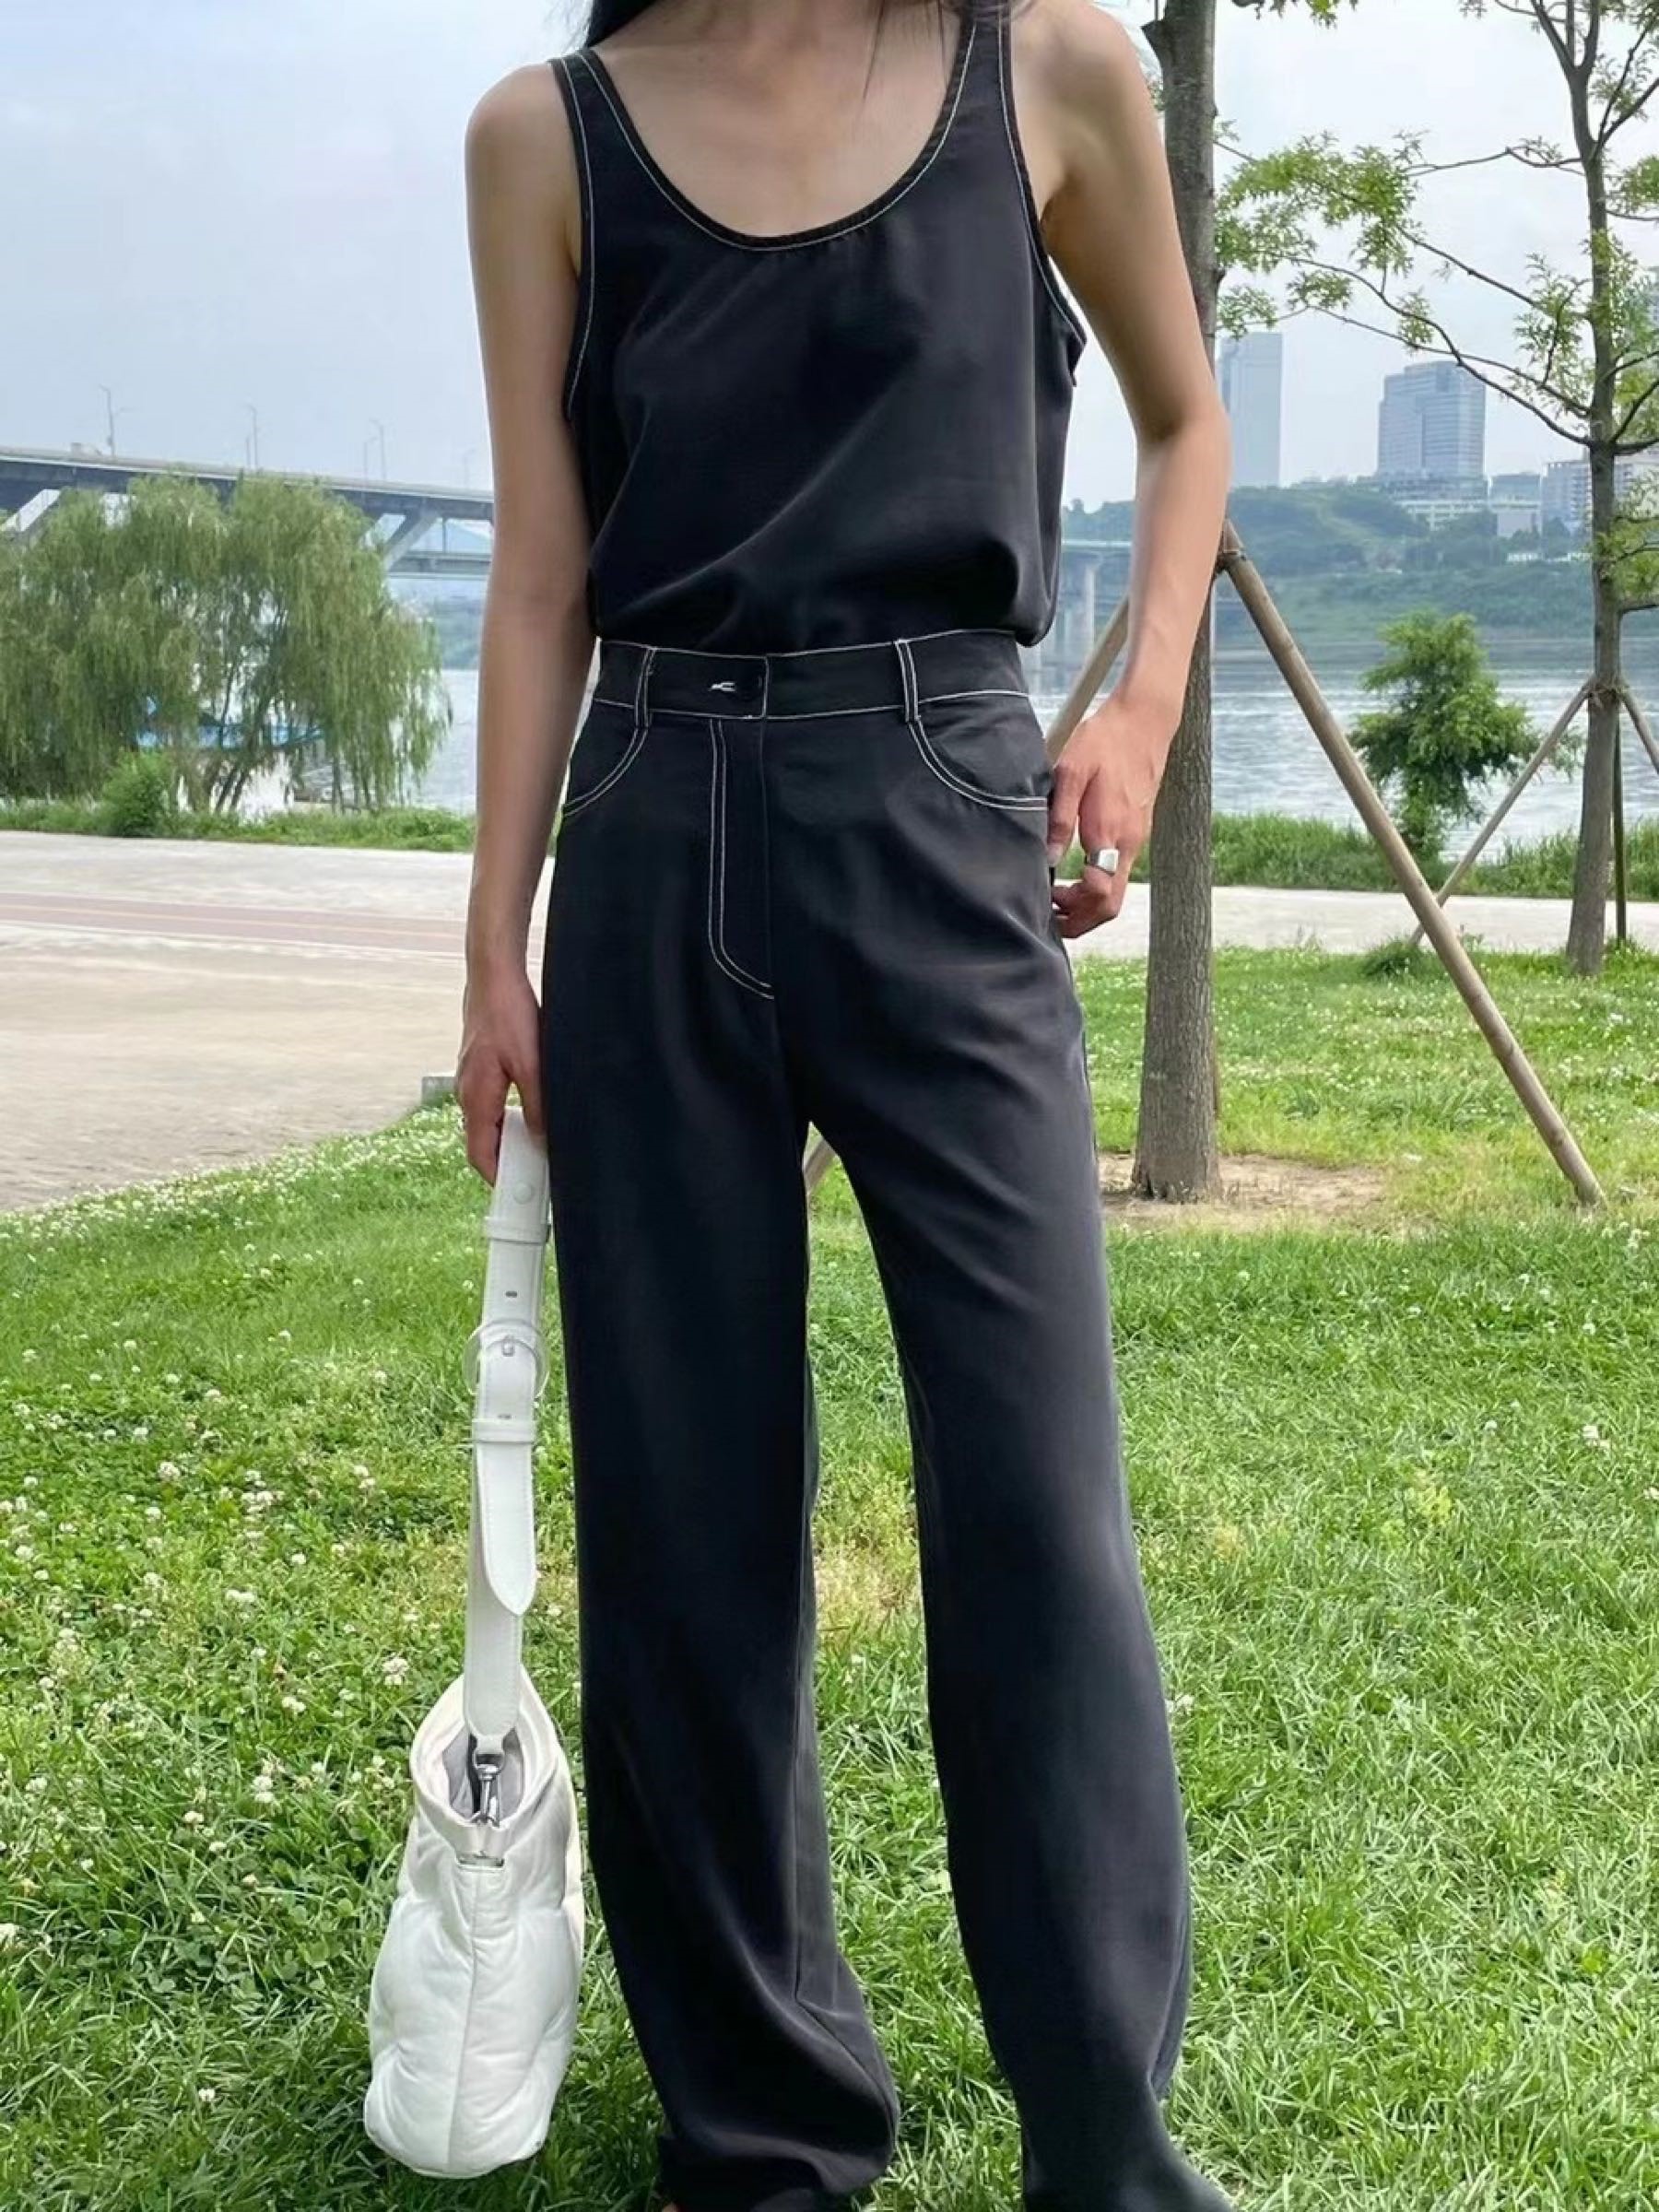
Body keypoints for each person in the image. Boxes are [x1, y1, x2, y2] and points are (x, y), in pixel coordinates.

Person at [457, 0, 1232, 2205]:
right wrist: (493, 939)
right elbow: (542, 567)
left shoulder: (1052, 69)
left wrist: (1140, 710)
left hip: (944, 806)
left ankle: (1107, 2145)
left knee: (1036, 1507)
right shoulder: (546, 138)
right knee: (683, 1522)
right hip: (650, 818)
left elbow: (1187, 424)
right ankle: (767, 2137)